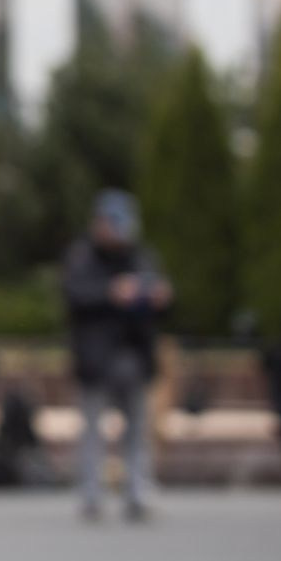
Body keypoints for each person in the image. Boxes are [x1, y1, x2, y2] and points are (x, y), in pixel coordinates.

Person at [64, 189, 171, 523]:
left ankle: (137, 494)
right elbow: (74, 296)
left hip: (134, 354)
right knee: (93, 428)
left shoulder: (142, 256)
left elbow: (161, 301)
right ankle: (92, 495)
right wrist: (111, 294)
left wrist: (158, 297)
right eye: (109, 222)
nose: (114, 230)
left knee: (137, 428)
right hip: (96, 357)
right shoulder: (82, 256)